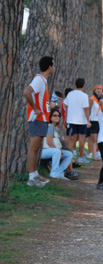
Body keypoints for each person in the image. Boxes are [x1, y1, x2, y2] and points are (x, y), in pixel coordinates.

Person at [24, 56, 56, 187]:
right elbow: (27, 92)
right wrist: (36, 108)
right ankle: (31, 177)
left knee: (37, 148)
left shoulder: (43, 80)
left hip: (42, 119)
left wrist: (48, 105)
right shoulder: (38, 79)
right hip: (37, 119)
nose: (54, 67)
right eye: (53, 65)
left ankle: (35, 175)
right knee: (34, 147)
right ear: (49, 66)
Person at [64, 78, 91, 164]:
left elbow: (66, 105)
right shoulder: (84, 96)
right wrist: (88, 120)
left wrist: (67, 117)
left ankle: (65, 154)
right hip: (81, 120)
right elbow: (86, 109)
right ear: (83, 86)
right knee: (81, 138)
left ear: (75, 85)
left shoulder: (70, 94)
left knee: (73, 138)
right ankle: (81, 157)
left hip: (71, 119)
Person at [41, 108, 73, 181]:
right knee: (57, 152)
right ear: (50, 117)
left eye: (58, 116)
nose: (57, 117)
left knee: (69, 154)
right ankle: (53, 173)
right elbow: (49, 141)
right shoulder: (50, 126)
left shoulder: (55, 128)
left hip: (51, 150)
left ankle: (59, 172)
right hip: (44, 150)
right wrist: (59, 150)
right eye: (54, 115)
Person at [88, 85, 103, 160]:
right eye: (97, 89)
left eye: (100, 89)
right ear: (94, 90)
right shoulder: (92, 99)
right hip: (93, 120)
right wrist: (87, 120)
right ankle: (93, 154)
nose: (99, 90)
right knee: (94, 138)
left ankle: (98, 152)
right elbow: (89, 109)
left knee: (100, 138)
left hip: (100, 120)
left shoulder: (102, 100)